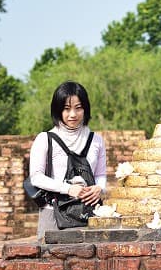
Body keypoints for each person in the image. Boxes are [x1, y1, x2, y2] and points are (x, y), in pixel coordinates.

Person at [29, 81, 107, 241]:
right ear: (57, 110)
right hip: (53, 213)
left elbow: (100, 174)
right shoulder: (45, 139)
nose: (73, 114)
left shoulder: (96, 140)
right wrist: (68, 189)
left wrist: (100, 188)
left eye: (78, 108)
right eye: (66, 108)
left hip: (89, 213)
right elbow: (36, 177)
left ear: (85, 109)